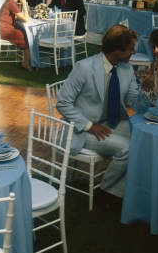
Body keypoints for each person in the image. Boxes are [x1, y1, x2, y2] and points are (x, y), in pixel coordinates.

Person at [56, 24, 140, 198]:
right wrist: (89, 126)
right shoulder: (84, 68)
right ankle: (107, 192)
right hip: (80, 130)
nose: (134, 52)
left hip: (112, 122)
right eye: (131, 49)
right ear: (117, 50)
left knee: (143, 141)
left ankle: (126, 189)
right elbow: (63, 103)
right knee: (128, 148)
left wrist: (146, 88)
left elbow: (135, 102)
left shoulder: (127, 69)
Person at [0, 0, 32, 71]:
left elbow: (19, 16)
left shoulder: (9, 2)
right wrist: (24, 5)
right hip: (5, 31)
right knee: (26, 37)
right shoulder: (12, 4)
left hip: (2, 29)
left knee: (23, 33)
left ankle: (26, 61)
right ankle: (26, 63)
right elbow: (26, 19)